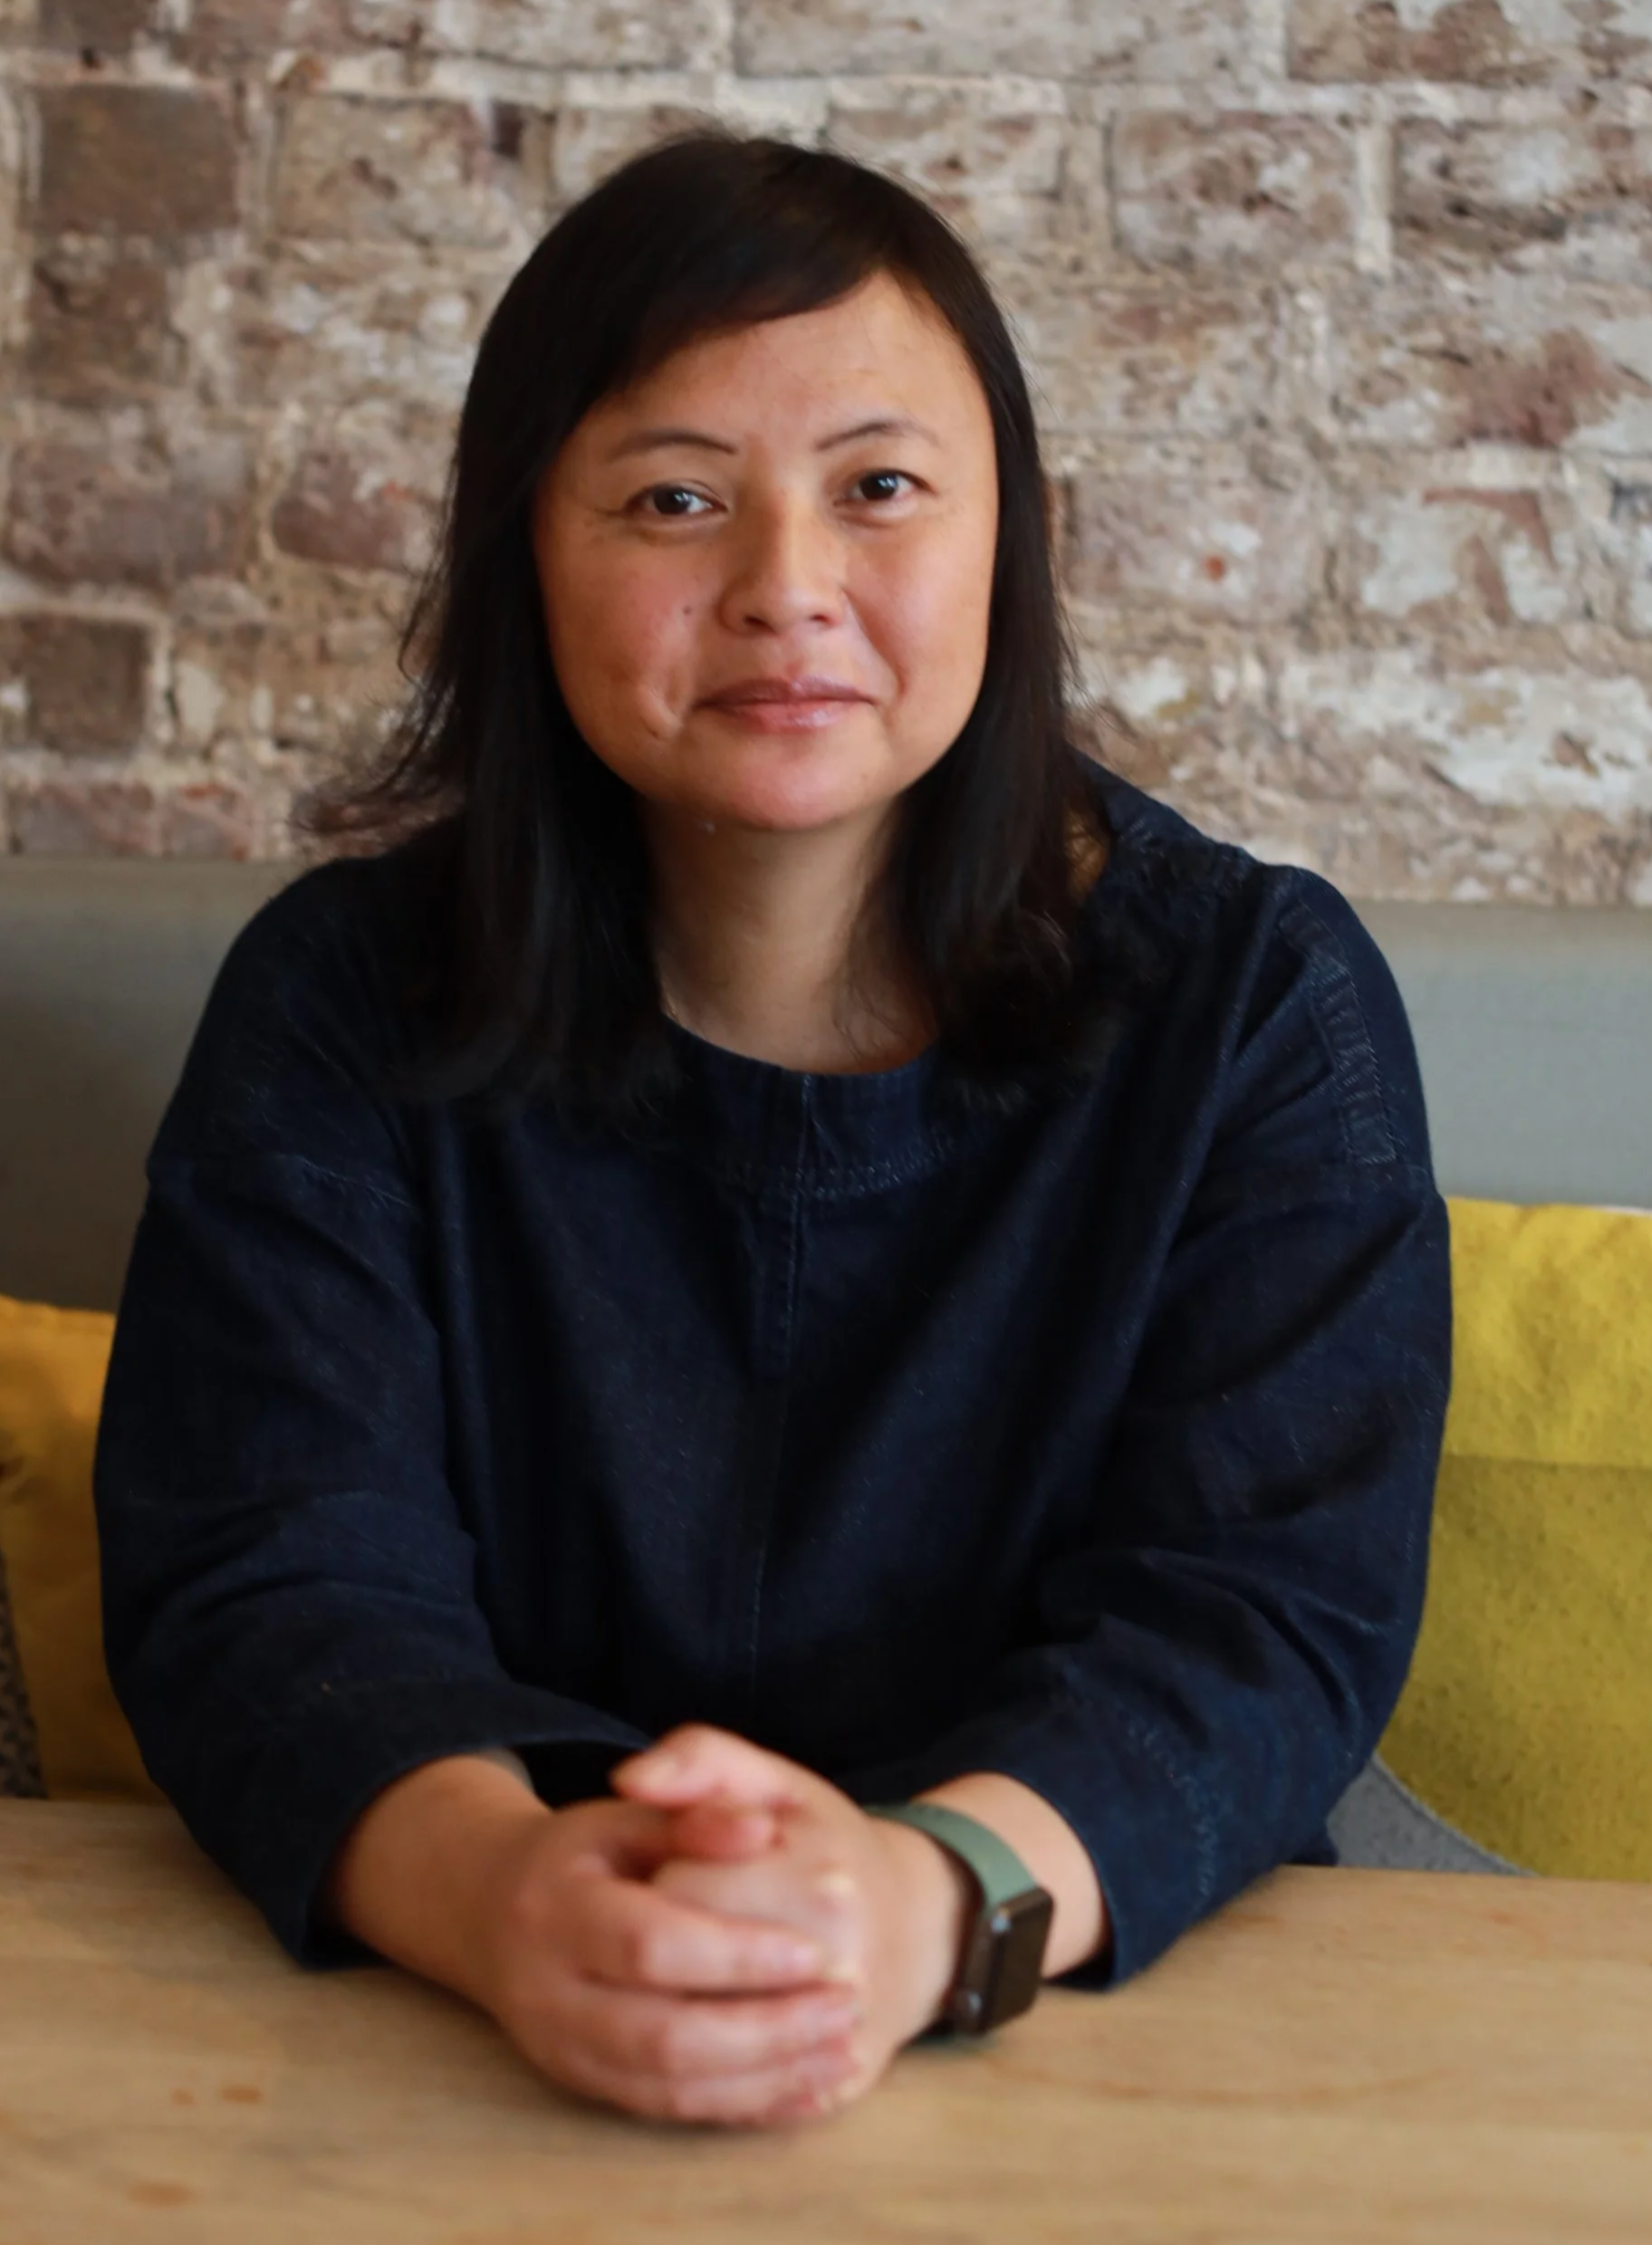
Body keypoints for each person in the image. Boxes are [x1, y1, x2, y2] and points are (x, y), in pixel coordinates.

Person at [93, 134, 1452, 2130]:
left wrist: (916, 1907)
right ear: (520, 552)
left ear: (1009, 537)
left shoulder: (1253, 1005)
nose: (783, 592)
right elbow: (266, 1582)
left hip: (1084, 1975)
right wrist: (505, 1897)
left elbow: (1257, 1626)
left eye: (880, 489)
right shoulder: (335, 1003)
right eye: (672, 500)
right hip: (464, 2005)